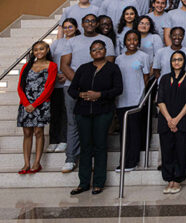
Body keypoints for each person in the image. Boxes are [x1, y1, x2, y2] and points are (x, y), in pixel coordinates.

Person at [68, 40, 123, 195]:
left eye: (100, 48)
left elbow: (118, 89)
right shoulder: (83, 68)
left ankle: (98, 182)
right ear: (90, 53)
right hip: (83, 112)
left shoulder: (113, 68)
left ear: (105, 50)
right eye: (94, 49)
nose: (97, 51)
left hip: (103, 111)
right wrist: (81, 94)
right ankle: (83, 183)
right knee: (85, 147)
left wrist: (100, 95)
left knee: (100, 146)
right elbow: (72, 90)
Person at [157, 51, 186, 194]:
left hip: (183, 119)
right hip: (165, 120)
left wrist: (177, 119)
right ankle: (169, 180)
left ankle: (177, 180)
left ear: (184, 61)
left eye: (180, 59)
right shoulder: (164, 78)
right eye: (174, 59)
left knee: (181, 150)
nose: (177, 62)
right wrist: (169, 119)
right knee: (167, 150)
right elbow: (160, 100)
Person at [17, 41, 57, 175]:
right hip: (25, 104)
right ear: (32, 52)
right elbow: (20, 87)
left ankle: (37, 162)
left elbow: (49, 87)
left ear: (47, 50)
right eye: (35, 50)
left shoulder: (52, 66)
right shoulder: (27, 66)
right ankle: (26, 163)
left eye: (41, 49)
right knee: (27, 133)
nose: (38, 52)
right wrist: (26, 103)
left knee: (39, 132)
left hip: (41, 104)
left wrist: (35, 104)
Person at [114, 30, 150, 172]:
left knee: (134, 131)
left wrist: (141, 95)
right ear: (125, 42)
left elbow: (146, 77)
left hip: (136, 98)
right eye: (129, 40)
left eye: (135, 40)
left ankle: (133, 161)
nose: (132, 42)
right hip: (122, 99)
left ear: (139, 42)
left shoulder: (144, 56)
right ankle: (123, 160)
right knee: (124, 132)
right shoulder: (119, 59)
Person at [49, 19, 76, 154]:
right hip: (56, 83)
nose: (67, 29)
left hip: (70, 81)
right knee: (55, 112)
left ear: (76, 28)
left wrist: (67, 75)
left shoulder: (77, 41)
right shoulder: (57, 43)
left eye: (70, 26)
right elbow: (51, 61)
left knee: (67, 113)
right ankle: (53, 140)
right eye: (65, 27)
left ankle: (64, 140)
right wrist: (56, 75)